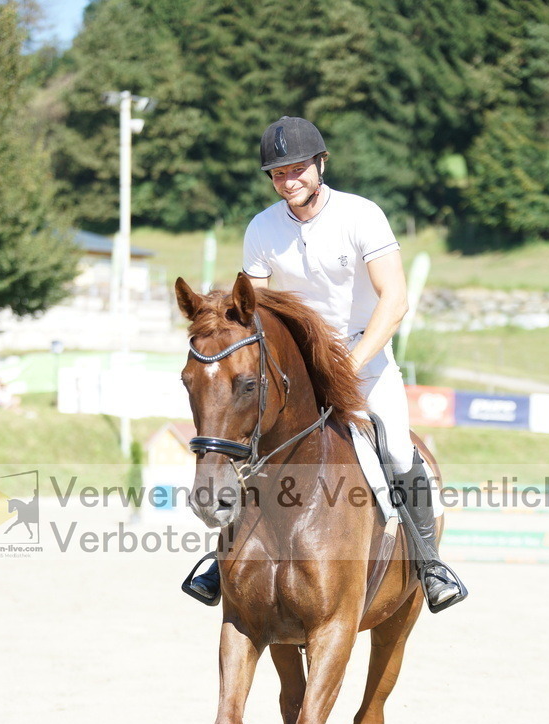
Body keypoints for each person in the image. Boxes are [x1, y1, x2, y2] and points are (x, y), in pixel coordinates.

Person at [188, 115, 466, 612]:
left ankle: (430, 562)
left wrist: (351, 364)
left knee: (400, 454)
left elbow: (395, 299)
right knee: (250, 449)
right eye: (277, 174)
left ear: (320, 164)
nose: (287, 180)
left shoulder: (362, 215)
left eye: (296, 169)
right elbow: (257, 309)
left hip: (365, 360)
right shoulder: (262, 228)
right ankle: (221, 557)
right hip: (294, 371)